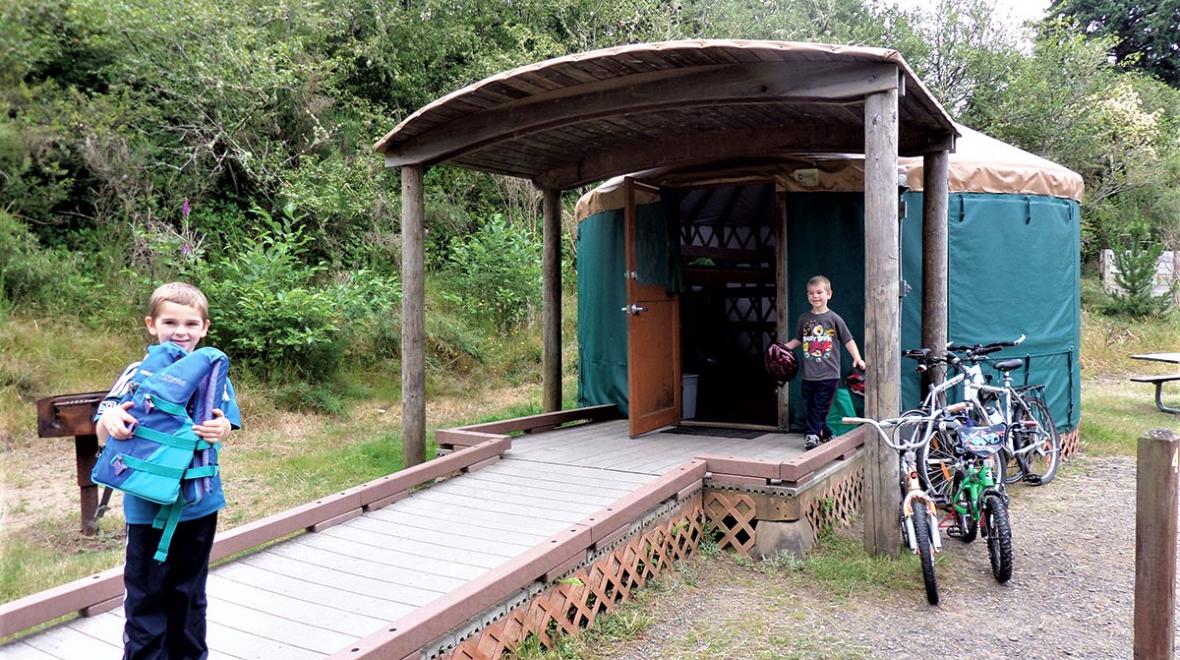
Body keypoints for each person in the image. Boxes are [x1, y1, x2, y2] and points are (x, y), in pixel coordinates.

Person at [95, 282, 240, 660]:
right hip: (146, 507)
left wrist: (221, 427)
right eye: (170, 321)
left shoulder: (213, 373)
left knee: (189, 596)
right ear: (151, 324)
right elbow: (101, 427)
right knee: (145, 597)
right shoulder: (136, 372)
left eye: (191, 323)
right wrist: (111, 417)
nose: (181, 331)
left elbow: (228, 423)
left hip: (199, 504)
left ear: (205, 327)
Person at [781, 275, 866, 450]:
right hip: (808, 375)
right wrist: (783, 348)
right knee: (810, 407)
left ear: (829, 294)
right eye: (811, 293)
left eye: (819, 292)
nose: (815, 296)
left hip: (829, 375)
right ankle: (826, 433)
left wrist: (857, 358)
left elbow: (848, 340)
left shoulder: (834, 318)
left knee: (820, 407)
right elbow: (798, 339)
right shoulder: (804, 319)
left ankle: (812, 435)